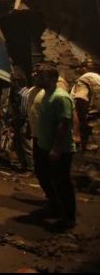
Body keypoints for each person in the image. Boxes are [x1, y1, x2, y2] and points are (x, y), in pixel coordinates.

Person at [33, 62, 77, 230]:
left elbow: (63, 124)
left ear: (52, 78)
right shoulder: (46, 93)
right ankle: (55, 208)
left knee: (62, 183)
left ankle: (68, 217)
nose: (36, 78)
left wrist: (56, 148)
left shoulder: (60, 97)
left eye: (40, 76)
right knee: (47, 178)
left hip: (60, 149)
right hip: (44, 144)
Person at [71, 58, 100, 152]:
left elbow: (81, 99)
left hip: (91, 124)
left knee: (90, 156)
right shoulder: (98, 79)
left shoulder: (84, 79)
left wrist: (80, 123)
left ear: (84, 68)